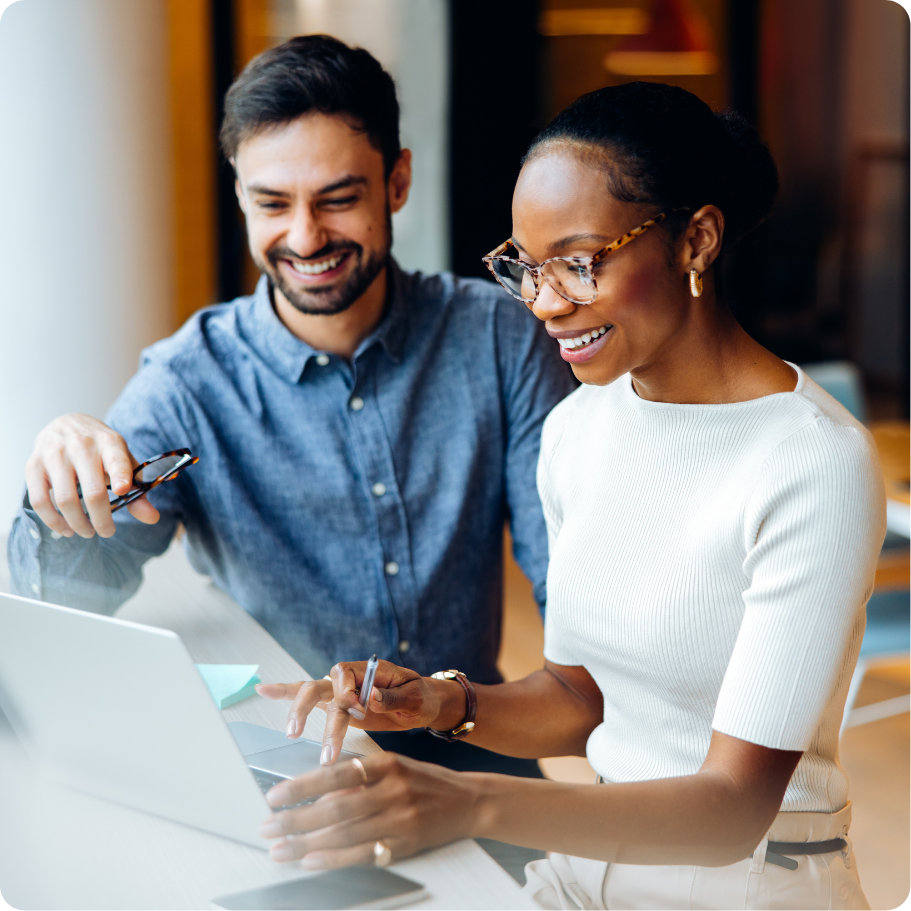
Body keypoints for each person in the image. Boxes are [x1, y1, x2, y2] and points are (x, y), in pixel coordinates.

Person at [251, 83, 884, 911]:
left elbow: (731, 810)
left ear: (695, 239)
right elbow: (580, 697)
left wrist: (470, 800)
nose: (545, 302)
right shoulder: (578, 428)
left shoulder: (813, 461)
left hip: (753, 880)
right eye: (525, 265)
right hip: (587, 866)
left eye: (580, 262)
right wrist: (444, 701)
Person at [7, 36, 573, 789]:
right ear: (239, 195)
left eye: (338, 199)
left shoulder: (499, 338)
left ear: (396, 181)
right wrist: (54, 494)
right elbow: (69, 601)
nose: (305, 238)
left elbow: (572, 588)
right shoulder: (186, 382)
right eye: (272, 203)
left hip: (475, 747)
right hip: (287, 770)